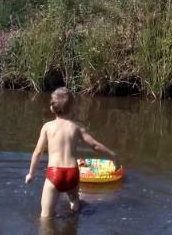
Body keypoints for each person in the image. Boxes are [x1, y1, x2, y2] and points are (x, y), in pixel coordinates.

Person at [25, 87, 117, 218]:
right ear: (72, 108)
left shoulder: (47, 127)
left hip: (55, 173)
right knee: (75, 205)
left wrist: (31, 174)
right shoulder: (76, 127)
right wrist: (113, 156)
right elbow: (94, 145)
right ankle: (72, 231)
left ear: (52, 108)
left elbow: (38, 152)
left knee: (45, 216)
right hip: (72, 173)